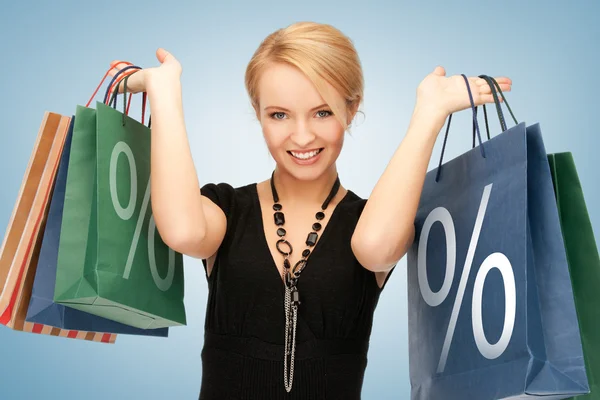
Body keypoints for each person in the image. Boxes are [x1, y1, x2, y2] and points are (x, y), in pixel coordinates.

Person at [109, 21, 511, 400]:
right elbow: (181, 231)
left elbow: (376, 246)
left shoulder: (370, 219)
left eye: (323, 112)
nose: (302, 136)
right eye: (279, 114)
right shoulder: (228, 209)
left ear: (352, 110)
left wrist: (428, 114)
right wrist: (164, 95)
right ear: (259, 114)